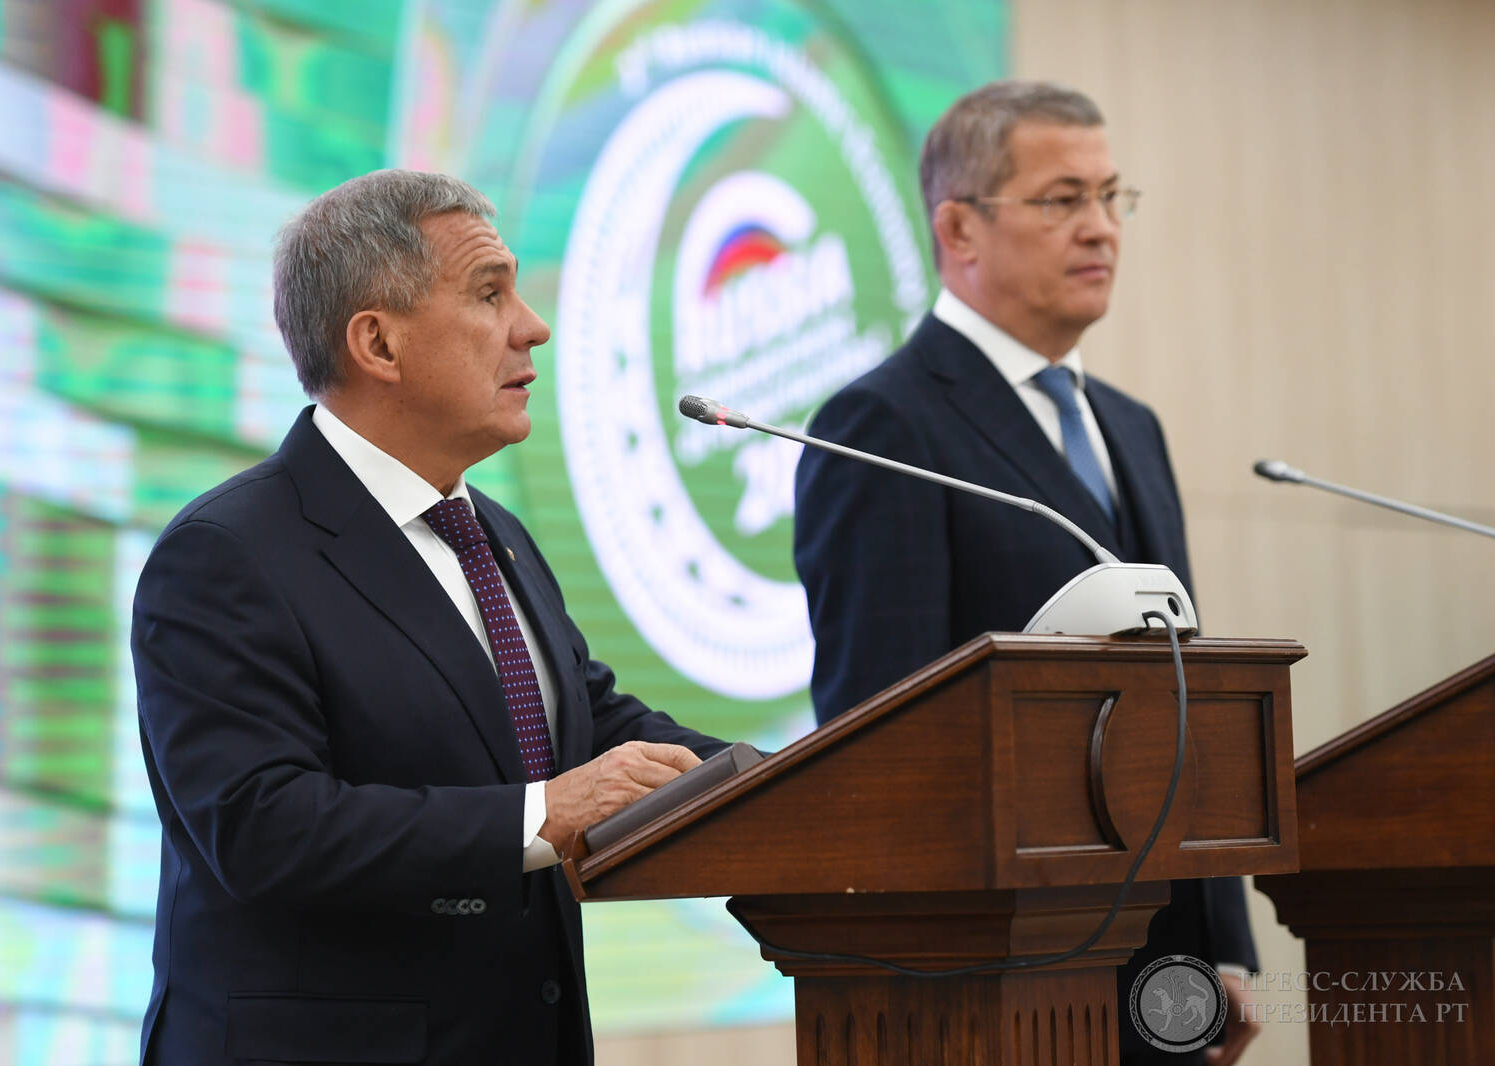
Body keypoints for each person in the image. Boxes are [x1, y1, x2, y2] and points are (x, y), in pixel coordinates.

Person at [131, 170, 728, 1066]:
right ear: (378, 342)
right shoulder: (226, 553)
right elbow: (261, 828)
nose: (533, 326)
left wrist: (791, 782)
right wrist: (541, 817)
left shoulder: (494, 530)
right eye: (490, 294)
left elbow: (584, 724)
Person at [793, 81, 1260, 1066]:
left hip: (1161, 962)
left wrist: (1217, 945)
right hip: (1001, 976)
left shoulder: (1129, 425)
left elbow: (1184, 693)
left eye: (1111, 197)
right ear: (958, 228)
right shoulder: (884, 426)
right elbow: (880, 731)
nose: (1100, 228)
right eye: (1061, 200)